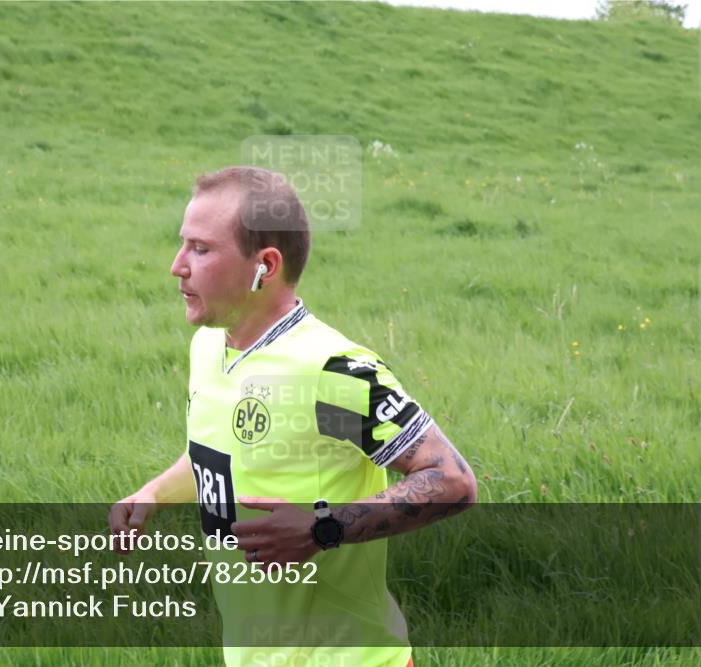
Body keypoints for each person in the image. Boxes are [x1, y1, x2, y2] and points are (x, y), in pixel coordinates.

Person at [110, 166, 477, 667]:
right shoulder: (210, 348)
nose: (177, 266)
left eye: (200, 249)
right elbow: (224, 456)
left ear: (264, 265)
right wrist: (153, 493)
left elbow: (451, 479)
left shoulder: (327, 373)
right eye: (182, 245)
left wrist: (322, 528)